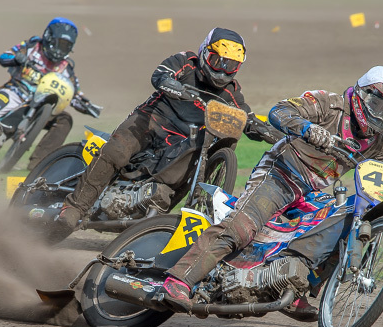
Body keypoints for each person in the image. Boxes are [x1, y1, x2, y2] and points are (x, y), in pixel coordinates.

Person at [154, 65, 383, 318]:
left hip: (310, 192)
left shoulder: (380, 140)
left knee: (339, 232)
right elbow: (279, 111)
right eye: (381, 107)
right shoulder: (328, 104)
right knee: (241, 228)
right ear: (364, 95)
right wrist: (307, 129)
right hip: (280, 174)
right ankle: (179, 280)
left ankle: (288, 287)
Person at [51, 27, 283, 239]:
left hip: (182, 141)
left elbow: (246, 116)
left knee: (183, 175)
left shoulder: (231, 94)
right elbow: (160, 75)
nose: (222, 71)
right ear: (205, 52)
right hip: (150, 121)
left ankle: (153, 219)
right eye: (217, 61)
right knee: (118, 151)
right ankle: (74, 207)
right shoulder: (185, 61)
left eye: (230, 66)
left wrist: (268, 132)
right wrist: (173, 85)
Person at [0, 17, 101, 170]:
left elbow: (74, 93)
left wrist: (86, 105)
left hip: (41, 107)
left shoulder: (66, 67)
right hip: (15, 92)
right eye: (58, 44)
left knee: (65, 119)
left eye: (65, 47)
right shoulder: (32, 46)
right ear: (48, 38)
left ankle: (39, 165)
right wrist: (17, 58)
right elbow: (4, 57)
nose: (60, 50)